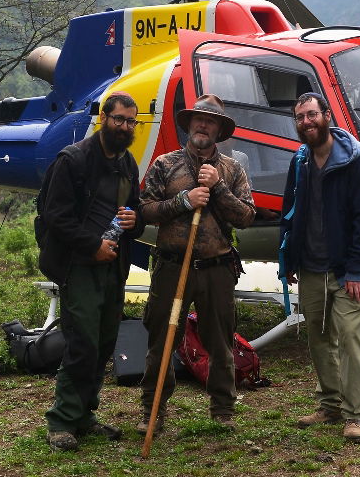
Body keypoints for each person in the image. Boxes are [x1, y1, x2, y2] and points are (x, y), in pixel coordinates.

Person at [138, 94, 256, 432]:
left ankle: (222, 411)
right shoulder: (164, 164)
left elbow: (247, 217)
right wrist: (182, 201)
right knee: (162, 341)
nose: (203, 125)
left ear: (219, 130)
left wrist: (218, 189)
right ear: (189, 125)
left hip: (217, 269)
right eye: (198, 119)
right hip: (172, 268)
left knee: (220, 342)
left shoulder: (232, 170)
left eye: (211, 121)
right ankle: (153, 410)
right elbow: (145, 210)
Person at [38, 91, 145, 452]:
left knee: (103, 342)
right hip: (79, 266)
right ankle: (62, 421)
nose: (125, 127)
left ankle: (85, 415)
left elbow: (136, 210)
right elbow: (56, 217)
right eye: (119, 120)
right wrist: (92, 245)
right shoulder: (73, 160)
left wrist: (135, 219)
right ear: (103, 119)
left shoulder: (127, 164)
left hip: (114, 265)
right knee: (82, 341)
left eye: (131, 121)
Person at [279, 92, 360, 443]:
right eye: (300, 117)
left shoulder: (355, 161)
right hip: (311, 267)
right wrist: (289, 260)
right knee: (319, 338)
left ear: (326, 115)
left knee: (351, 338)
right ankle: (331, 404)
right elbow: (290, 213)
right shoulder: (301, 162)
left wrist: (356, 270)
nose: (306, 122)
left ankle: (356, 414)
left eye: (311, 114)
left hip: (346, 270)